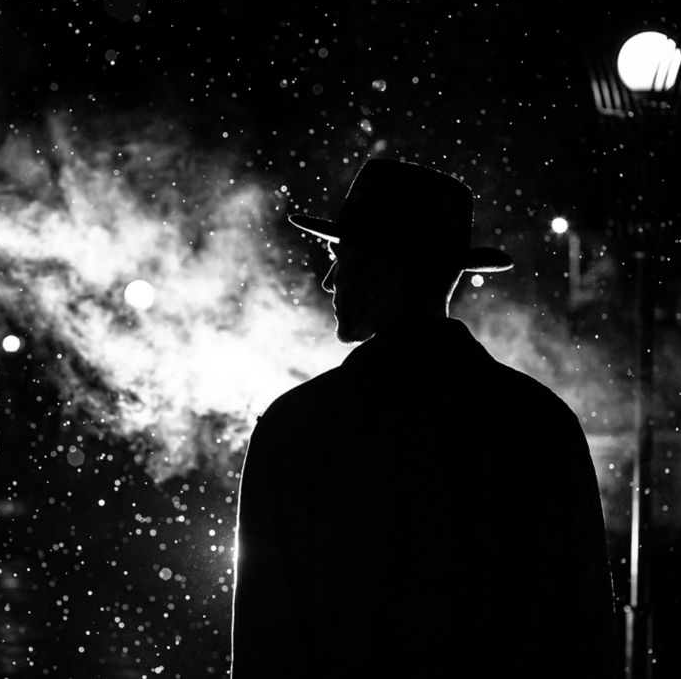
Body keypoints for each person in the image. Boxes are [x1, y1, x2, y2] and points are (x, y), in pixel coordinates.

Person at [230, 159, 617, 678]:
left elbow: (266, 646)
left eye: (339, 256)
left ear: (379, 268)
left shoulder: (298, 427)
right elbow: (583, 635)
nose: (328, 279)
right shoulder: (544, 424)